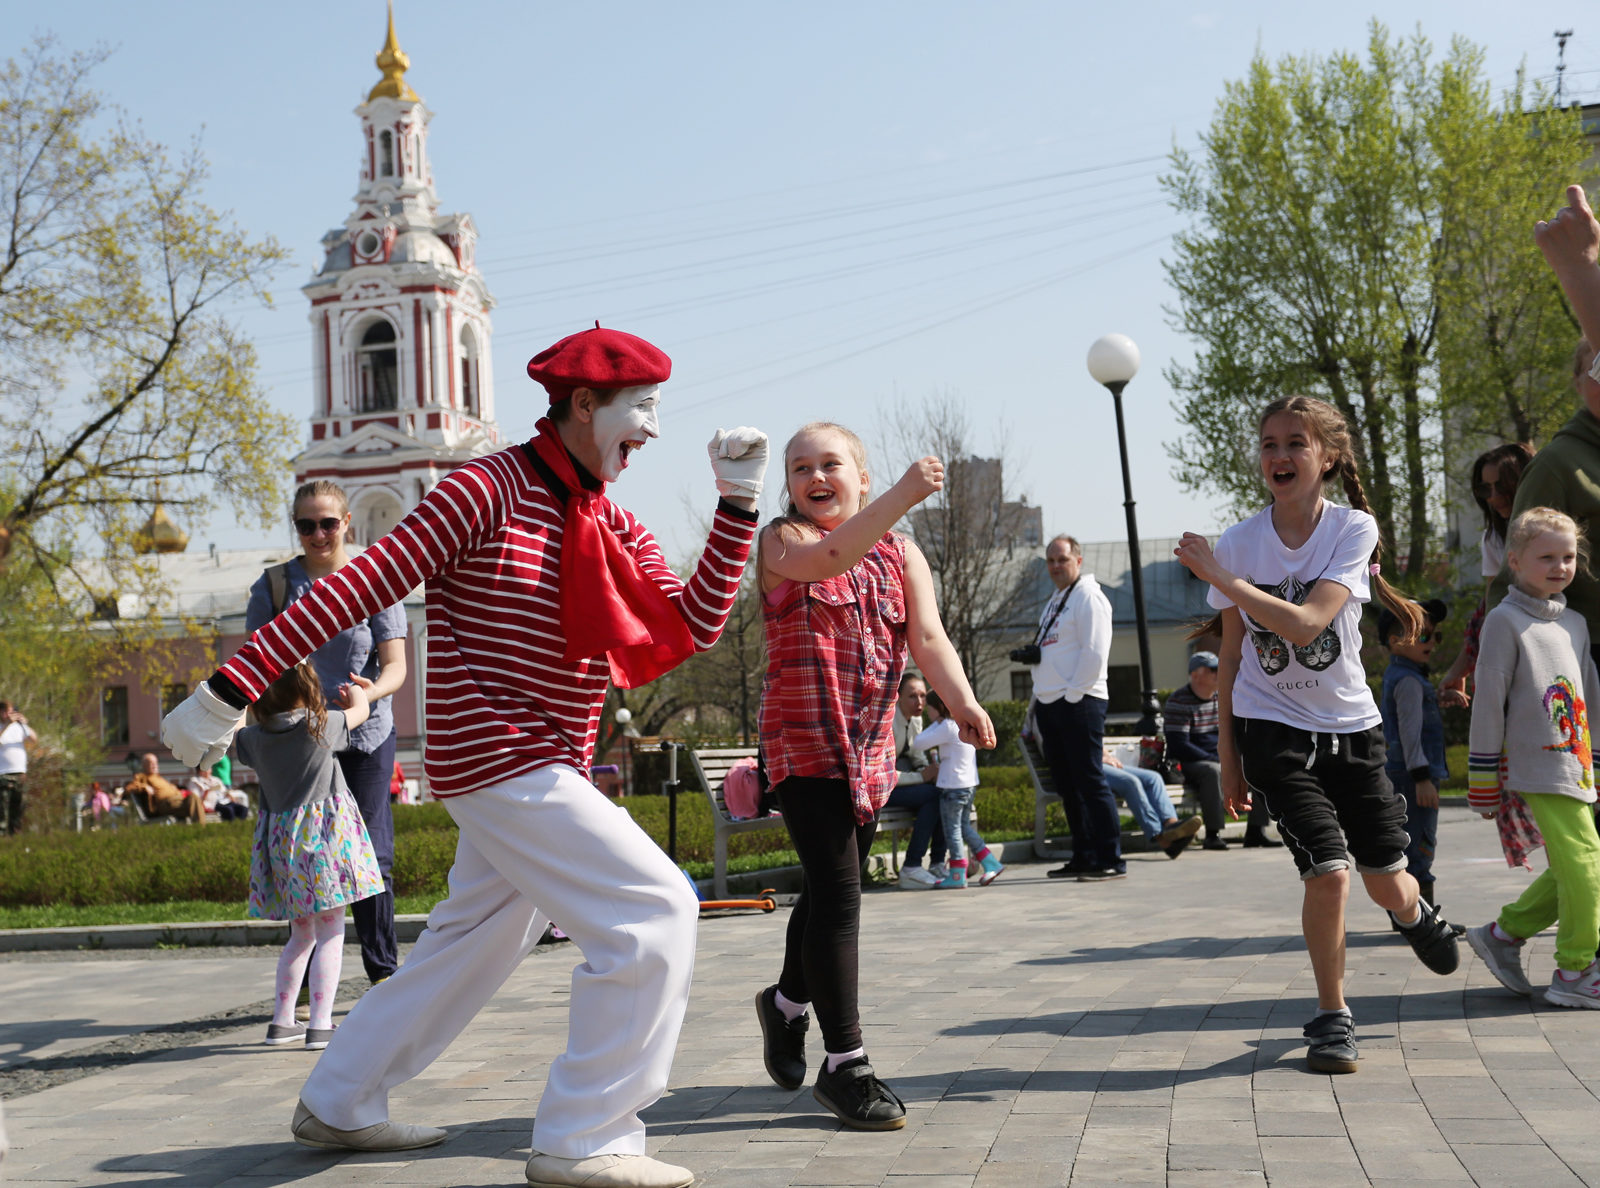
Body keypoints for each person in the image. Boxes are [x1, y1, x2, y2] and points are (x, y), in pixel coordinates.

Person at [163, 325, 763, 1188]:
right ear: (584, 406)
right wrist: (226, 692)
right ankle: (584, 1135)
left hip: (545, 756)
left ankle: (340, 1096)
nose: (656, 430)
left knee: (472, 939)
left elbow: (691, 624)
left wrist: (737, 501)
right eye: (643, 409)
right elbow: (357, 588)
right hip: (501, 755)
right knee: (656, 911)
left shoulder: (607, 519)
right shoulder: (483, 489)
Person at [1175, 394, 1461, 1077]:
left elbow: (1306, 624)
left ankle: (1415, 915)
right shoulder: (1242, 539)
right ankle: (1333, 1018)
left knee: (1385, 882)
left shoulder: (1352, 529)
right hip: (1271, 729)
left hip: (1351, 731)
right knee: (1328, 872)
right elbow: (1236, 654)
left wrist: (1219, 576)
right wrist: (1231, 760)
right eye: (1269, 443)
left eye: (1295, 443)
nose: (1279, 455)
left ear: (1325, 456)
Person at [752, 421, 995, 1130]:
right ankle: (846, 1064)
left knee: (831, 891)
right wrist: (904, 493)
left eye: (830, 463)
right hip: (802, 743)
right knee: (840, 892)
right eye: (800, 468)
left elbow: (928, 637)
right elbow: (830, 556)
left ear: (858, 474)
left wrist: (963, 699)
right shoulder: (782, 542)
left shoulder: (902, 553)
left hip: (866, 752)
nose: (814, 476)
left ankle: (785, 1005)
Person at [246, 479, 408, 986]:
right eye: (306, 525)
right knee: (311, 861)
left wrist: (368, 695)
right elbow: (252, 668)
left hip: (364, 733)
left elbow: (397, 667)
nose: (318, 534)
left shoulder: (374, 579)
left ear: (347, 524)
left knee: (371, 855)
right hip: (300, 746)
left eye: (328, 523)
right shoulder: (273, 588)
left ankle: (384, 977)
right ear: (297, 528)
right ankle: (317, 988)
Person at [1464, 508, 1600, 1008]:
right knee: (1586, 861)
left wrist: (1597, 763)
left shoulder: (1576, 624)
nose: (1560, 566)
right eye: (1546, 557)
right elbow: (1488, 698)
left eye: (1567, 557)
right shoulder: (1504, 620)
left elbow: (1592, 700)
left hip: (1577, 765)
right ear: (1515, 562)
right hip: (1537, 766)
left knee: (1578, 862)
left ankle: (1503, 935)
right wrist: (1482, 777)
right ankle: (1576, 970)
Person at [238, 662, 386, 1049]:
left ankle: (282, 1021)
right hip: (323, 844)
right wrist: (361, 691)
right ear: (308, 687)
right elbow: (362, 711)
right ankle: (320, 1025)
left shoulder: (255, 739)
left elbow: (234, 730)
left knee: (301, 934)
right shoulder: (321, 726)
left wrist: (240, 694)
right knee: (332, 931)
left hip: (284, 847)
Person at [1492, 184, 1600, 658]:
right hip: (1588, 650)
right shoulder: (1559, 463)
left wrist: (1580, 270)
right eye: (1592, 369)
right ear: (1577, 382)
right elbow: (1516, 572)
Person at [1029, 534, 1123, 881]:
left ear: (1078, 561)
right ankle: (1084, 854)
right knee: (1069, 786)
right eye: (1051, 560)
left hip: (1080, 702)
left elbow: (1095, 653)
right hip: (1052, 703)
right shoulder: (1056, 600)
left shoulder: (1088, 597)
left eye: (1062, 560)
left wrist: (1071, 697)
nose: (1055, 566)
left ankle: (1110, 858)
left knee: (1090, 781)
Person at [1378, 597, 1456, 924]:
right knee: (1419, 843)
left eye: (1433, 636)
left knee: (1412, 841)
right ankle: (1418, 922)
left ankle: (1412, 917)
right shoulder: (1408, 681)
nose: (1431, 643)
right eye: (1423, 636)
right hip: (1412, 777)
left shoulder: (1409, 677)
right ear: (1396, 642)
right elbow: (1410, 734)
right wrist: (1422, 777)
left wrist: (1437, 697)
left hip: (1406, 773)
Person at [1440, 443, 1533, 707]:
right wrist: (1461, 668)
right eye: (1485, 489)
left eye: (1501, 487)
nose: (1493, 497)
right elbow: (1491, 610)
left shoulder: (1555, 530)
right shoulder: (1494, 538)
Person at [1164, 652, 1281, 850]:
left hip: (1217, 757)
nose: (1220, 673)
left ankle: (1255, 831)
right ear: (1196, 675)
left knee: (1259, 766)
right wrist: (1219, 759)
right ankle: (1213, 834)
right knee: (1213, 771)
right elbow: (1179, 745)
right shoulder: (1179, 701)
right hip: (1191, 762)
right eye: (1213, 670)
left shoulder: (1223, 697)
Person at [913, 689, 1002, 888]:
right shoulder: (963, 724)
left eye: (930, 708)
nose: (929, 713)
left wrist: (936, 724)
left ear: (940, 708)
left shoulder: (946, 725)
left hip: (952, 787)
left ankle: (957, 874)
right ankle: (990, 862)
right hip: (968, 785)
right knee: (963, 827)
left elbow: (918, 743)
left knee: (952, 830)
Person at [885, 673, 947, 889]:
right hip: (879, 789)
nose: (919, 702)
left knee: (945, 792)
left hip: (899, 783)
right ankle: (911, 866)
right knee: (934, 797)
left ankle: (938, 863)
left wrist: (930, 771)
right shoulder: (887, 722)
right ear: (898, 697)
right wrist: (921, 776)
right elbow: (884, 773)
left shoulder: (916, 719)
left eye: (922, 695)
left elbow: (915, 754)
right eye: (912, 696)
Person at [1101, 745, 1200, 858]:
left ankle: (1171, 825)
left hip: (1101, 762)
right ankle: (1163, 840)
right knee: (1131, 783)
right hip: (1087, 765)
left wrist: (1106, 755)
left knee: (1153, 778)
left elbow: (1097, 740)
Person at [126, 753, 205, 824]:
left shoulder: (159, 778)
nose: (155, 765)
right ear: (144, 765)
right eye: (151, 763)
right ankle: (201, 831)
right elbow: (129, 788)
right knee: (193, 799)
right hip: (166, 804)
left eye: (156, 763)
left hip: (178, 801)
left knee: (194, 798)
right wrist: (144, 787)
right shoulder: (142, 776)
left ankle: (198, 829)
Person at [0, 701, 36, 836]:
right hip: (3, 776)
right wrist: (7, 725)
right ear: (2, 713)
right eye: (8, 712)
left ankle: (15, 838)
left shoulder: (19, 727)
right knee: (2, 810)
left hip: (20, 775)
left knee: (18, 809)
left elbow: (33, 739)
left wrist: (24, 723)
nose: (11, 715)